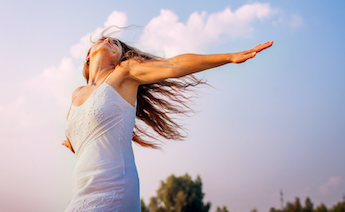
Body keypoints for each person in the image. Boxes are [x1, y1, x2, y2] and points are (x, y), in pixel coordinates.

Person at [63, 34, 273, 211]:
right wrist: (71, 142)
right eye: (103, 38)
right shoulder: (77, 94)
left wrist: (229, 57)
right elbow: (82, 135)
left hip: (113, 189)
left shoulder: (124, 73)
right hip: (80, 191)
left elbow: (172, 65)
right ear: (88, 56)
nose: (109, 39)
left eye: (116, 43)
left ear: (119, 58)